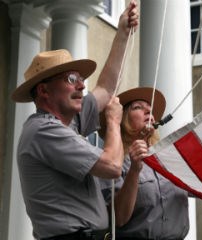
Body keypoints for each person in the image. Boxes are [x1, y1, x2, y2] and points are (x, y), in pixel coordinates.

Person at [11, 1, 139, 240]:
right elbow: (112, 167)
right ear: (44, 91)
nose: (81, 85)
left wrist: (122, 33)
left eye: (81, 79)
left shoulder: (68, 122)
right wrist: (112, 122)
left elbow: (105, 88)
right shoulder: (44, 130)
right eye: (71, 78)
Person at [100, 87, 189, 240]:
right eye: (138, 107)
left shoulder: (169, 159)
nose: (148, 111)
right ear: (121, 120)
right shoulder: (111, 162)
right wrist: (134, 169)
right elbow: (118, 218)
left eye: (150, 109)